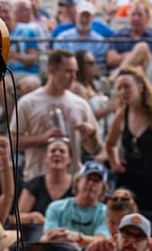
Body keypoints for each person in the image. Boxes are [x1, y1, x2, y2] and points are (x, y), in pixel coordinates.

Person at [12, 49, 102, 180]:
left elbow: (93, 149)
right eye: (68, 71)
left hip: (72, 180)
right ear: (52, 70)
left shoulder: (81, 104)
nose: (73, 77)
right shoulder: (28, 102)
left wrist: (91, 135)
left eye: (75, 72)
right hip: (37, 179)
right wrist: (42, 138)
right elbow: (13, 141)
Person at [104, 68, 152, 213]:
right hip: (128, 184)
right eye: (119, 88)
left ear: (140, 87)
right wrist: (115, 163)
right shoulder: (122, 114)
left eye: (127, 86)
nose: (122, 91)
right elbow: (109, 143)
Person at [77, 189, 152, 251]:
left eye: (120, 223)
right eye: (112, 222)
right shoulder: (95, 248)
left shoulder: (150, 246)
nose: (115, 228)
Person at [42, 161, 111, 248]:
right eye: (88, 179)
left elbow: (102, 240)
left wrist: (78, 238)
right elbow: (48, 236)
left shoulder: (106, 213)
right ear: (78, 181)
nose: (91, 184)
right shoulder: (56, 207)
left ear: (103, 188)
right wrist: (60, 236)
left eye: (96, 181)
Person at [17, 137, 75, 225]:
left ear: (69, 159)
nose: (57, 154)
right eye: (53, 151)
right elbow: (16, 218)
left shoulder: (78, 185)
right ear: (46, 158)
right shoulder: (34, 185)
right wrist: (32, 217)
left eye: (62, 151)